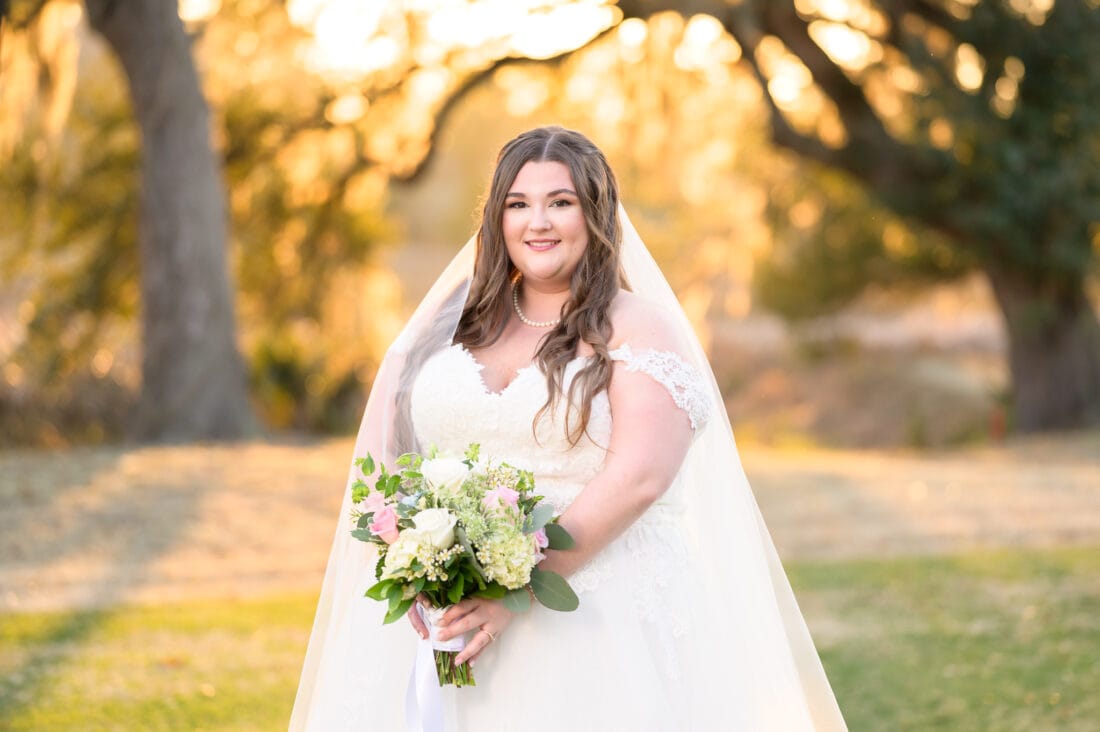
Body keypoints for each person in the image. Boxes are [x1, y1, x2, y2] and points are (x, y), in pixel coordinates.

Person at [290, 126, 848, 731]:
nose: (539, 222)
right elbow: (380, 461)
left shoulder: (638, 327)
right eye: (518, 204)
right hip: (440, 618)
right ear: (497, 219)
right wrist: (417, 563)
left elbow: (641, 475)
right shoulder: (445, 330)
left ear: (596, 214)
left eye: (560, 202)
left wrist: (515, 591)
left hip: (597, 615)